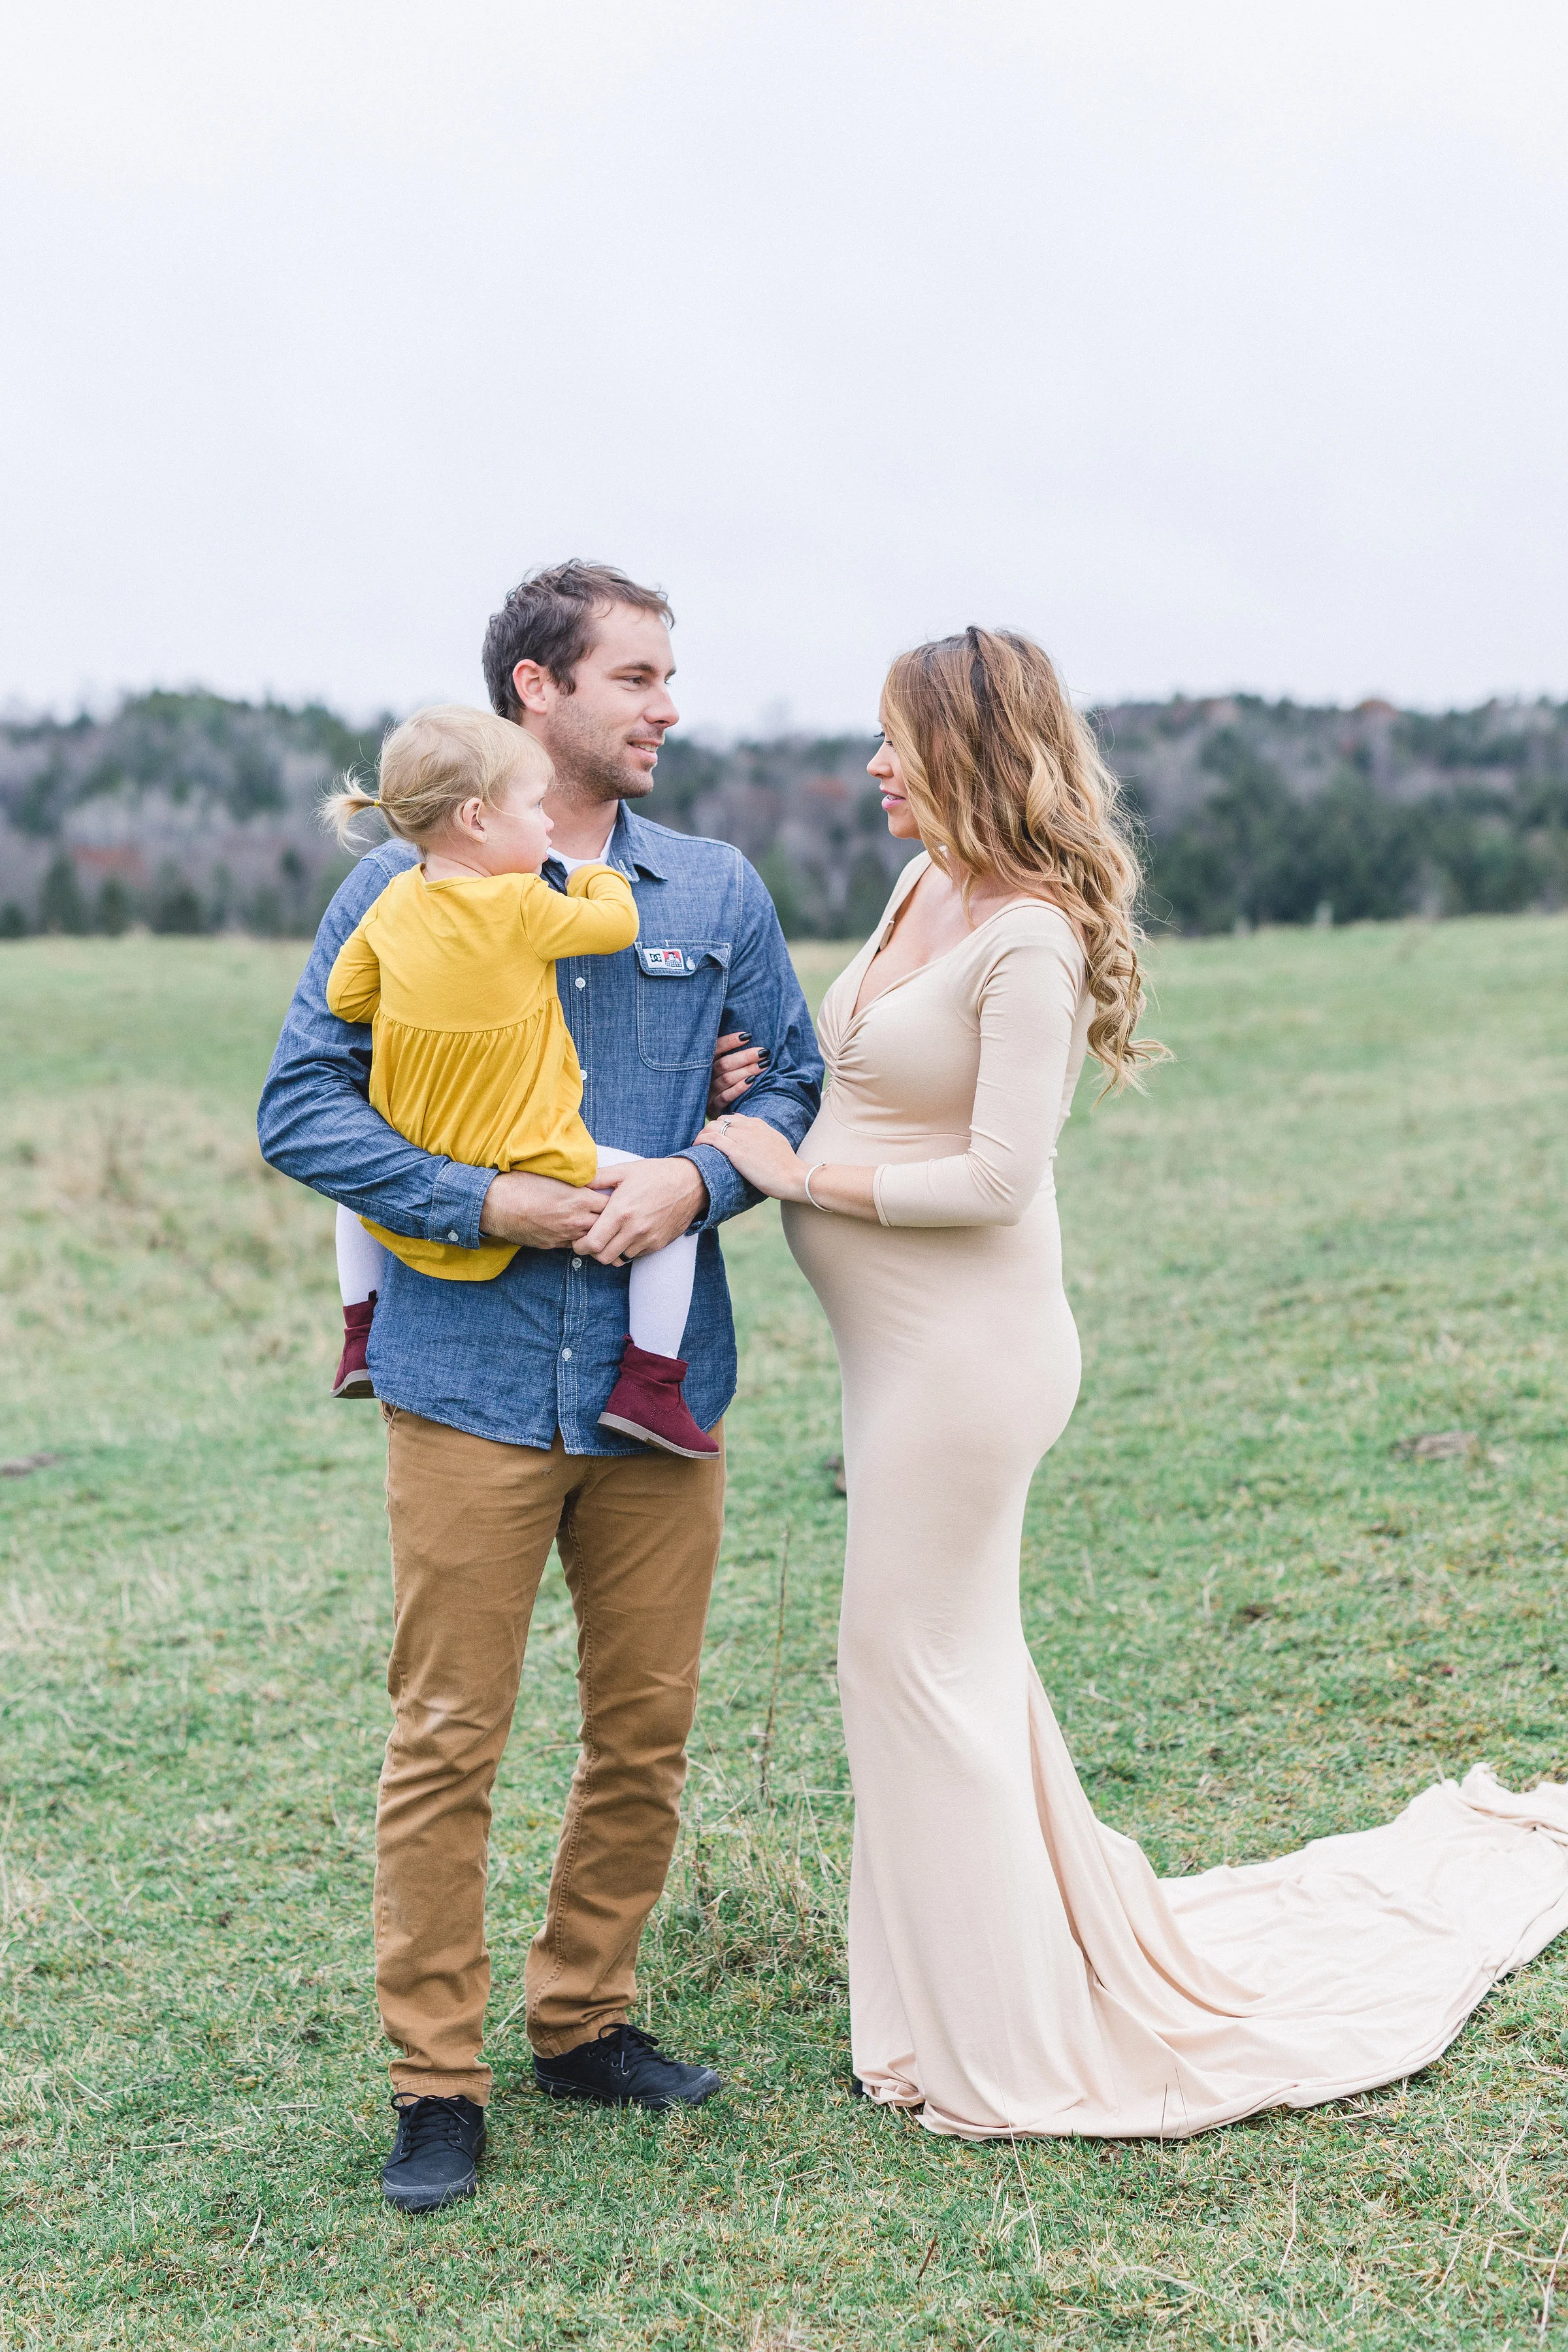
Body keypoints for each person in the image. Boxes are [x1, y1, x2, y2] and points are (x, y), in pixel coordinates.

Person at [698, 624, 1568, 2140]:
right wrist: (767, 1098)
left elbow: (991, 1174)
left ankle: (994, 2039)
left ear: (964, 747)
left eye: (893, 738)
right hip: (895, 1358)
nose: (870, 766)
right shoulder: (921, 887)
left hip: (966, 1364)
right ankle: (948, 1995)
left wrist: (801, 1172)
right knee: (939, 1671)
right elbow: (872, 1068)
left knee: (910, 1666)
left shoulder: (1025, 930)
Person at [257, 562, 821, 2210]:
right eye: (634, 675)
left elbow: (792, 1075)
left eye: (668, 673)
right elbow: (303, 1107)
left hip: (664, 1387)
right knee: (447, 1735)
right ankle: (436, 2081)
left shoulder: (711, 890)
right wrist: (481, 1201)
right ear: (535, 693)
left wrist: (702, 1180)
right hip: (467, 1377)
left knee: (640, 1729)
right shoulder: (388, 890)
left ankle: (584, 2019)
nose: (666, 704)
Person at [320, 703, 719, 1460]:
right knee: (662, 1198)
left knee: (355, 1191)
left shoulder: (392, 903)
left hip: (422, 1137)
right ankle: (652, 1383)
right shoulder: (526, 901)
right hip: (519, 1143)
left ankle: (359, 1331)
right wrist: (596, 879)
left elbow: (347, 999)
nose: (546, 827)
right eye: (535, 808)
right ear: (476, 818)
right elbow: (615, 930)